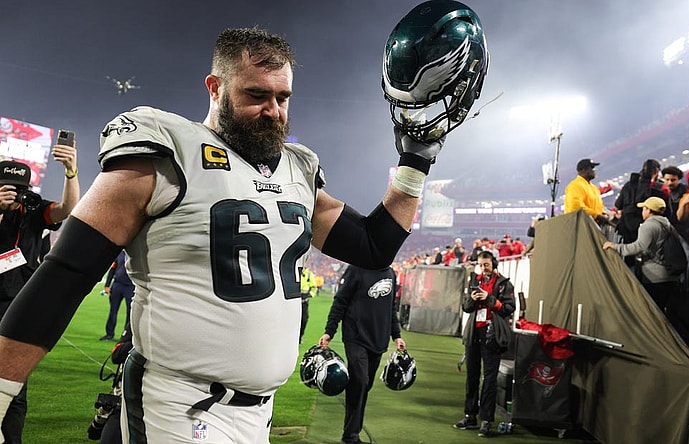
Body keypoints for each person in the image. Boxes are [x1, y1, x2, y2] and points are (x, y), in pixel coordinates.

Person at [0, 19, 484, 442]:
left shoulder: (297, 168)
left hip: (258, 413)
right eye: (256, 95)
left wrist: (415, 160)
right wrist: (3, 388)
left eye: (282, 97)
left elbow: (373, 246)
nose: (273, 110)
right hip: (175, 405)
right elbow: (66, 272)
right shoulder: (167, 149)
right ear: (215, 87)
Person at [0, 140, 79, 443]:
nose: (13, 193)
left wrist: (71, 172)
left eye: (18, 187)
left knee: (13, 387)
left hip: (19, 305)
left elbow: (67, 209)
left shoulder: (30, 208)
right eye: (6, 186)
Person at [318, 265, 405, 444]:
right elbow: (340, 301)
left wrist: (396, 336)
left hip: (378, 340)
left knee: (364, 387)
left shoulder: (390, 273)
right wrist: (329, 331)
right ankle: (350, 437)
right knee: (360, 382)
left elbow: (391, 309)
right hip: (355, 337)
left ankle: (352, 433)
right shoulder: (356, 269)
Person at [454, 250, 515, 437]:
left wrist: (489, 299)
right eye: (480, 265)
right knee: (471, 377)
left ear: (494, 264)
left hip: (492, 335)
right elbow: (465, 307)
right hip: (474, 333)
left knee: (489, 380)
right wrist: (472, 299)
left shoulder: (504, 284)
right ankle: (470, 416)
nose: (483, 268)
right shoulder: (475, 281)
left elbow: (509, 309)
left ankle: (486, 420)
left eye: (486, 264)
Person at [603, 197, 680, 312]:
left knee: (652, 311)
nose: (642, 212)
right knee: (662, 309)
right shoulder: (666, 224)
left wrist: (615, 246)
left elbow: (638, 247)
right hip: (669, 275)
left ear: (649, 210)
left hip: (655, 276)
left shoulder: (648, 226)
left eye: (644, 209)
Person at [614, 159, 669, 244]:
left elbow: (618, 205)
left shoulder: (628, 185)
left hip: (626, 229)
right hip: (647, 230)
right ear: (657, 171)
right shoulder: (659, 189)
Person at [564, 158, 610, 226]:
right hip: (579, 227)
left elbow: (598, 208)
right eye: (592, 167)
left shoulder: (594, 188)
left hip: (592, 225)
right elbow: (575, 207)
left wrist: (604, 214)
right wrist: (597, 216)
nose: (595, 170)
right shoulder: (575, 185)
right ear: (584, 170)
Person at [100, 250, 134, 341]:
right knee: (113, 310)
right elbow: (112, 269)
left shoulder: (136, 253)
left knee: (130, 312)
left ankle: (126, 336)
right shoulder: (120, 254)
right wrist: (107, 285)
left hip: (131, 286)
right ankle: (109, 334)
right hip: (117, 285)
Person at [661, 166, 689, 240]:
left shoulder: (686, 191)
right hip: (671, 232)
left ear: (678, 179)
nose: (670, 183)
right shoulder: (662, 194)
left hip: (686, 231)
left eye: (673, 180)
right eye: (667, 180)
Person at [299, 267, 318, 343]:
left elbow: (314, 288)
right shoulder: (294, 272)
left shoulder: (309, 274)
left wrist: (309, 295)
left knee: (304, 319)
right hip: (294, 300)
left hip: (304, 301)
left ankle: (300, 336)